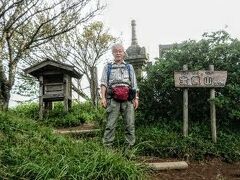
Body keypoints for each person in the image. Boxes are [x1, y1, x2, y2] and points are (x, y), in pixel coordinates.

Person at [100, 43, 139, 149]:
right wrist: (103, 98)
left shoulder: (129, 67)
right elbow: (103, 83)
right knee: (110, 125)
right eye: (115, 51)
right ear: (113, 53)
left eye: (120, 51)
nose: (118, 53)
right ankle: (108, 148)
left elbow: (134, 84)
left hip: (128, 99)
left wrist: (136, 98)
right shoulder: (108, 67)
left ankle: (129, 149)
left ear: (123, 53)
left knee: (129, 125)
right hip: (112, 99)